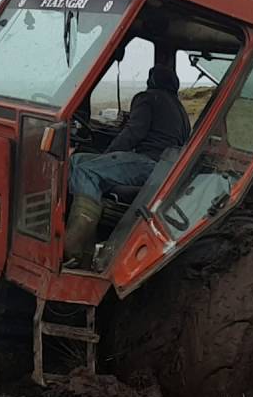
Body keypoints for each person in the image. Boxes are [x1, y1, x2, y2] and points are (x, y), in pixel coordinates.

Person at [64, 64, 191, 265]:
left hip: (147, 163)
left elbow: (134, 133)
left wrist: (107, 155)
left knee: (87, 171)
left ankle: (76, 250)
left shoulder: (148, 98)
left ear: (152, 81)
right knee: (75, 160)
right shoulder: (181, 111)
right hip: (164, 168)